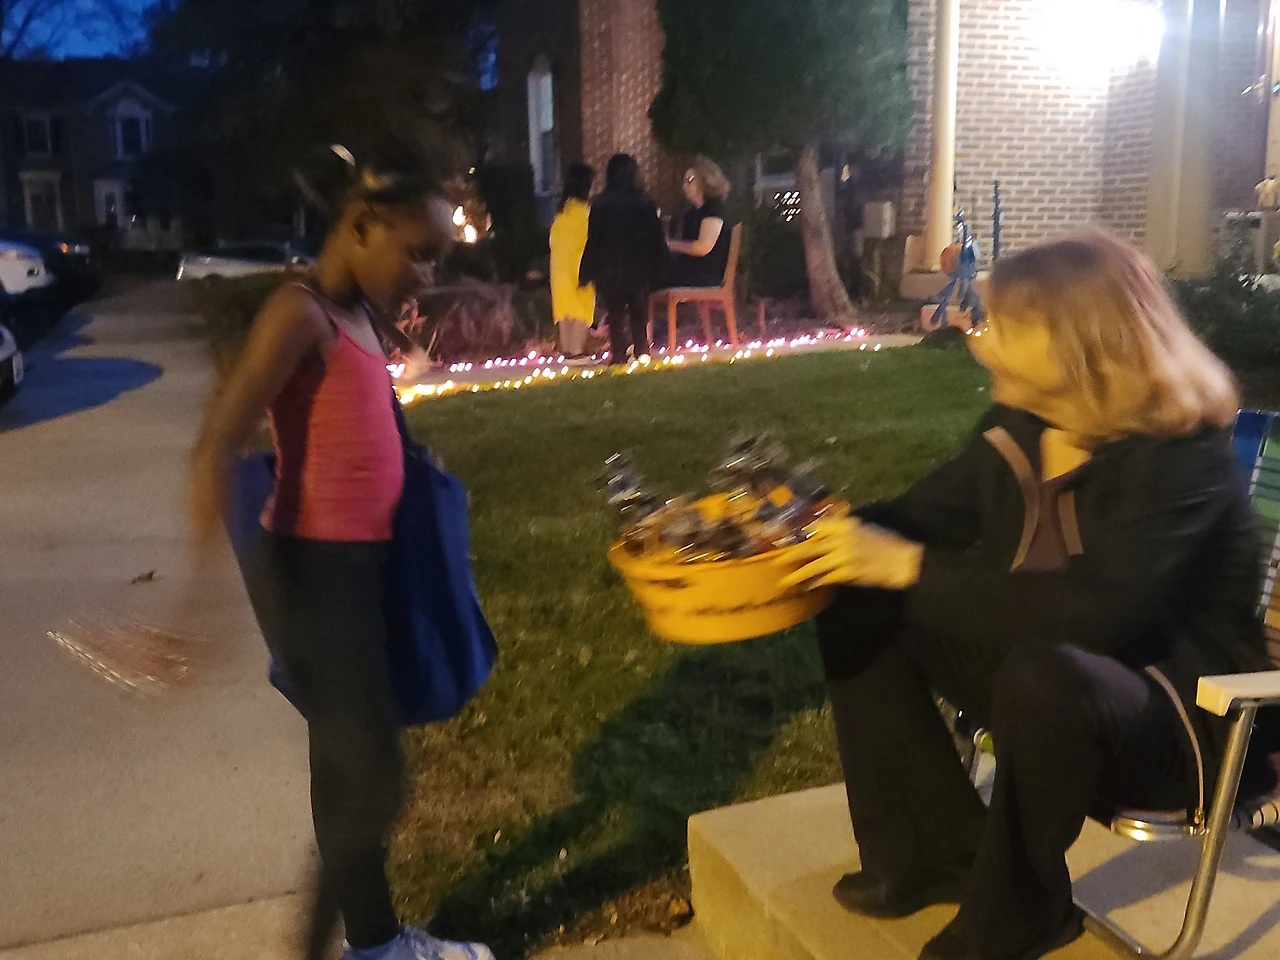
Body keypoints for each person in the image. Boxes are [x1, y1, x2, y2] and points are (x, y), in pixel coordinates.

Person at [780, 230, 1280, 960]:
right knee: (861, 599)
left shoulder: (1181, 462)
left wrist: (910, 568)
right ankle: (931, 856)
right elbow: (912, 522)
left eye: (1002, 326)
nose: (978, 338)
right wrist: (801, 530)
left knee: (1046, 672)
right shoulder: (1019, 430)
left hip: (1185, 724)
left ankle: (1023, 911)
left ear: (1076, 344)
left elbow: (1097, 615)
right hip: (1048, 684)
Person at [190, 144, 495, 960]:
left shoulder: (355, 312)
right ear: (361, 226)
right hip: (320, 575)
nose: (426, 275)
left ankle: (376, 942)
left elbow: (361, 420)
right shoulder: (299, 313)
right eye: (419, 253)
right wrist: (204, 594)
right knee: (372, 784)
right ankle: (351, 949)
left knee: (347, 774)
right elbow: (217, 443)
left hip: (364, 566)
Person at [579, 153, 668, 365]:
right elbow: (655, 237)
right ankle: (642, 349)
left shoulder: (600, 204)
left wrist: (587, 270)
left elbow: (594, 240)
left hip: (610, 268)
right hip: (638, 267)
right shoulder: (645, 203)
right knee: (639, 310)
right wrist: (661, 265)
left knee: (615, 313)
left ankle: (618, 352)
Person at [549, 163, 596, 360]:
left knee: (565, 310)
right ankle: (576, 353)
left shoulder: (561, 213)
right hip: (579, 269)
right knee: (581, 309)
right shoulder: (585, 213)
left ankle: (568, 353)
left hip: (558, 270)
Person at [666, 157, 734, 288]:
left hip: (705, 275)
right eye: (684, 182)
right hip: (689, 270)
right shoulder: (691, 213)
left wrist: (670, 244)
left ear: (706, 180)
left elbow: (703, 247)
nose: (684, 187)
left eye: (690, 180)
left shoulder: (713, 209)